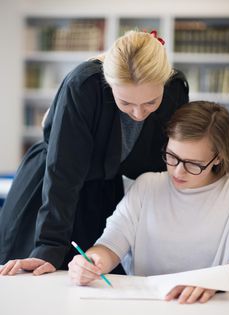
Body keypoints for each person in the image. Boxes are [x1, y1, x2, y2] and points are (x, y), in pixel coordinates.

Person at [0, 30, 189, 276]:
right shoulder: (84, 85)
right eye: (126, 103)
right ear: (109, 85)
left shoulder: (175, 89)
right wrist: (48, 247)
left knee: (92, 277)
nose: (139, 113)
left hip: (103, 189)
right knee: (38, 279)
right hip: (50, 193)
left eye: (150, 103)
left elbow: (167, 162)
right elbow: (63, 173)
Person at [68, 101, 229, 304]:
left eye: (193, 164)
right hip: (146, 309)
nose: (178, 171)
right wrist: (92, 262)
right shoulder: (147, 185)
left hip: (210, 310)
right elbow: (110, 244)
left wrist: (211, 281)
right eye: (172, 156)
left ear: (218, 158)